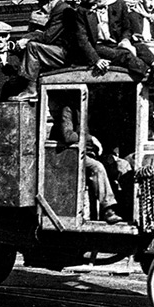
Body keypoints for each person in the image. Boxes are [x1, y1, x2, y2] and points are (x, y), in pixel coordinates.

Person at [52, 96, 122, 224]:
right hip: (72, 155)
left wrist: (112, 152)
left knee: (122, 165)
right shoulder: (69, 111)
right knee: (98, 167)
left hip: (92, 153)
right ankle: (108, 210)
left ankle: (124, 209)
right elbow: (67, 136)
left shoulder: (94, 111)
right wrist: (90, 138)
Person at [73, 0, 149, 79]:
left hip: (116, 44)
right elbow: (82, 39)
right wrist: (96, 60)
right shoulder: (82, 10)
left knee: (141, 47)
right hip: (98, 47)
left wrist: (125, 40)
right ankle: (149, 75)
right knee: (125, 55)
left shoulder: (119, 4)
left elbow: (127, 28)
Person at [9, 0, 76, 102]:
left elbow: (48, 37)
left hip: (67, 54)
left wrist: (27, 40)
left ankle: (31, 90)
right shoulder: (59, 9)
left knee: (33, 47)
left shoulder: (62, 11)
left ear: (49, 1)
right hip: (63, 51)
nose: (41, 7)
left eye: (41, 3)